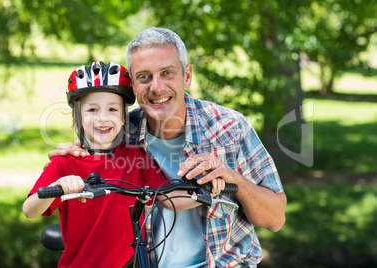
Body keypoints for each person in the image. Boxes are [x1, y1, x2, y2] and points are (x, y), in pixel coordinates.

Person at [48, 28, 287, 268]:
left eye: (167, 73)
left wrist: (233, 179)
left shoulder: (230, 129)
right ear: (132, 84)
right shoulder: (119, 131)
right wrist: (71, 157)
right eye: (144, 77)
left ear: (187, 76)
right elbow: (86, 167)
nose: (157, 87)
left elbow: (275, 218)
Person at [24, 61, 225, 267]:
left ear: (123, 118)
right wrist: (56, 188)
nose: (102, 118)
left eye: (112, 109)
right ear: (77, 119)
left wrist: (210, 188)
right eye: (92, 110)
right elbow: (30, 210)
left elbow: (171, 198)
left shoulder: (137, 158)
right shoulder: (65, 163)